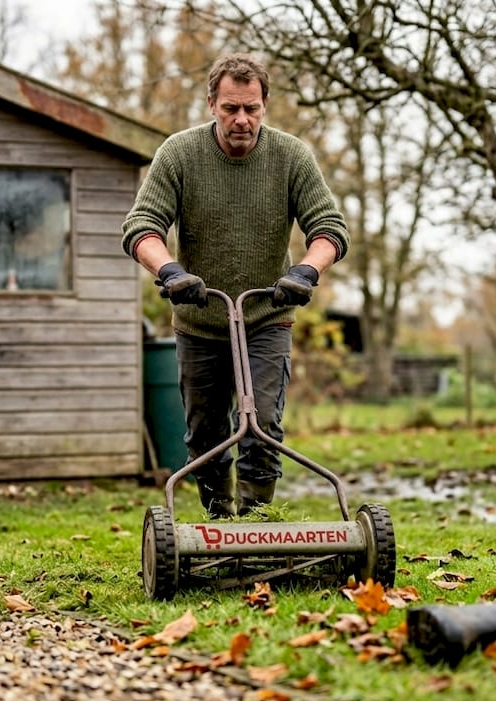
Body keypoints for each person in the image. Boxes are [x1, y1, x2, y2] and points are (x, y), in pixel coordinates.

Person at [122, 53, 350, 518]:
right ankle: (219, 521)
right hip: (200, 319)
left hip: (267, 316)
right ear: (211, 105)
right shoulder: (179, 154)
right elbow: (142, 226)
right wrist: (170, 272)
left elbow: (329, 227)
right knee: (205, 435)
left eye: (251, 108)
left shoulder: (291, 156)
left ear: (265, 105)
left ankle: (257, 523)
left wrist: (306, 271)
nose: (241, 119)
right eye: (231, 108)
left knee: (262, 424)